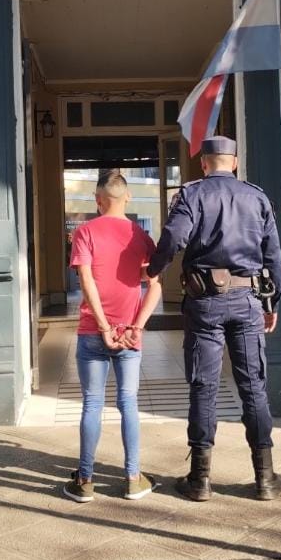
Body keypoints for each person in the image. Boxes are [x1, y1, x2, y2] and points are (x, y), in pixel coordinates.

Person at [146, 136, 281, 502]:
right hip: (248, 302)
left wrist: (153, 269)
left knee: (203, 386)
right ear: (235, 163)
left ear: (204, 163)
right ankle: (265, 478)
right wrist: (272, 302)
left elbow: (173, 238)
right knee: (253, 386)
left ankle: (200, 480)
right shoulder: (256, 197)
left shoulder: (192, 195)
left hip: (205, 302)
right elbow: (273, 255)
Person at [64, 169, 162, 503]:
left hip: (93, 331)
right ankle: (133, 478)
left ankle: (85, 481)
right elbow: (155, 286)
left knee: (92, 403)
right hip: (129, 335)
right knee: (128, 402)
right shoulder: (140, 236)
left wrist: (104, 326)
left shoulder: (85, 232)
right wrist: (137, 326)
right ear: (128, 197)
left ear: (97, 199)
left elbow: (86, 281)